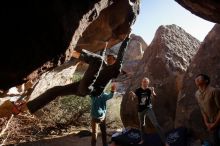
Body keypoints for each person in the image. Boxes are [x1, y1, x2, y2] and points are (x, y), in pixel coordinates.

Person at [0, 34, 130, 118]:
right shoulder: (106, 66)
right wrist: (105, 46)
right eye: (109, 57)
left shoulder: (115, 69)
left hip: (90, 89)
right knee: (55, 90)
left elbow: (119, 57)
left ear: (115, 61)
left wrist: (126, 39)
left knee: (98, 60)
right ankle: (24, 108)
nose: (109, 59)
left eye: (111, 58)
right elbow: (101, 58)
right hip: (81, 88)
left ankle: (70, 52)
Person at [129, 77, 169, 146]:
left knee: (156, 124)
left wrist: (153, 92)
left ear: (148, 83)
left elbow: (155, 97)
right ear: (142, 82)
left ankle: (165, 142)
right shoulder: (138, 90)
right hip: (140, 110)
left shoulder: (149, 89)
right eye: (144, 82)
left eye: (146, 82)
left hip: (148, 109)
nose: (145, 83)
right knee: (142, 125)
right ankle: (142, 139)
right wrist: (132, 96)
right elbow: (134, 99)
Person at [194, 74, 220, 146]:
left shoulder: (214, 91)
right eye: (196, 78)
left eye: (199, 78)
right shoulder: (197, 94)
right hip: (210, 123)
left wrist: (215, 124)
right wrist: (207, 123)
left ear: (206, 81)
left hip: (218, 121)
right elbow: (202, 110)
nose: (197, 79)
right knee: (215, 141)